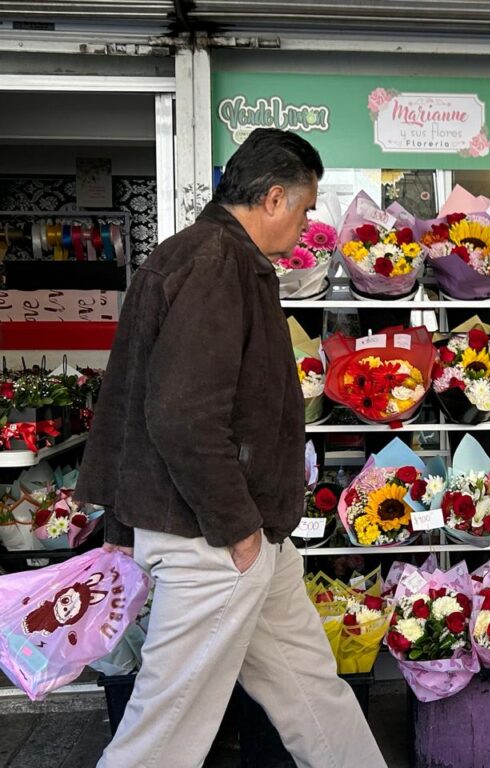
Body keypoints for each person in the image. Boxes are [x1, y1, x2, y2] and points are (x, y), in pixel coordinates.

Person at [75, 128, 387, 768]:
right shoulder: (217, 263)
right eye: (304, 209)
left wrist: (133, 523)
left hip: (239, 533)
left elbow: (133, 400)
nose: (304, 228)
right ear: (272, 198)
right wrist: (238, 529)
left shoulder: (203, 255)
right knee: (165, 728)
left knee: (311, 692)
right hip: (215, 537)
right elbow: (180, 415)